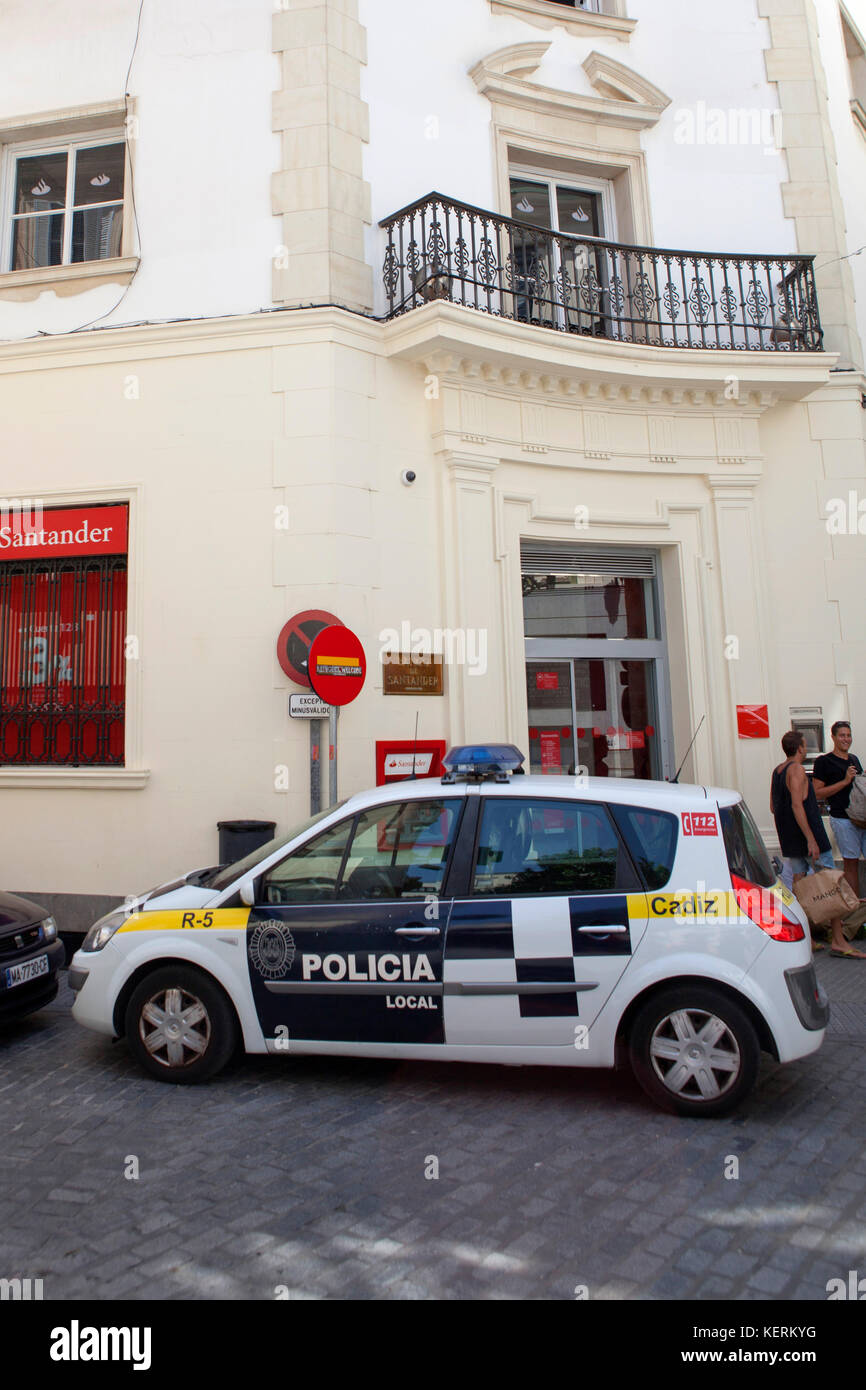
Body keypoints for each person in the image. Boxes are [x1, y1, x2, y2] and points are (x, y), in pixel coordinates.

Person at [770, 730, 865, 958]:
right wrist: (811, 838)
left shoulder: (778, 771)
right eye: (805, 745)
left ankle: (808, 938)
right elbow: (797, 805)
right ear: (800, 748)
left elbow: (775, 807)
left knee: (799, 887)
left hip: (791, 838)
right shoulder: (797, 770)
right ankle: (839, 940)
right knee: (830, 883)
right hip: (808, 837)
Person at [812, 721, 866, 904]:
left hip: (862, 819)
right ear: (833, 737)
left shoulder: (854, 759)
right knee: (851, 863)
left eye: (848, 735)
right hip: (843, 819)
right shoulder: (824, 762)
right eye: (842, 735)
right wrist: (844, 781)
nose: (846, 739)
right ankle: (855, 910)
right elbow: (817, 792)